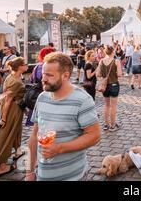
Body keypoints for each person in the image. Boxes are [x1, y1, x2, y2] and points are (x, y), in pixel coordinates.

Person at [26, 52, 100, 181]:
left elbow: (94, 136)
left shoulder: (82, 100)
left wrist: (60, 148)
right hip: (42, 175)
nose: (43, 79)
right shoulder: (42, 97)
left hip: (73, 176)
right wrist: (30, 171)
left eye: (49, 75)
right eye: (43, 74)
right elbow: (34, 136)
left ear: (65, 75)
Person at [0, 57, 28, 177]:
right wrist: (3, 118)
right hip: (12, 109)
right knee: (7, 133)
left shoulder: (12, 76)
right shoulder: (15, 81)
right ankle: (1, 165)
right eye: (25, 64)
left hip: (14, 106)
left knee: (16, 130)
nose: (27, 65)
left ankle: (17, 151)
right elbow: (8, 100)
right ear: (19, 67)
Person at [98, 46, 123, 132]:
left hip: (105, 86)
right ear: (113, 52)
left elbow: (98, 74)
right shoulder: (116, 61)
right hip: (114, 85)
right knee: (113, 106)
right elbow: (119, 74)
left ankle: (105, 125)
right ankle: (112, 126)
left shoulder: (101, 61)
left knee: (106, 105)